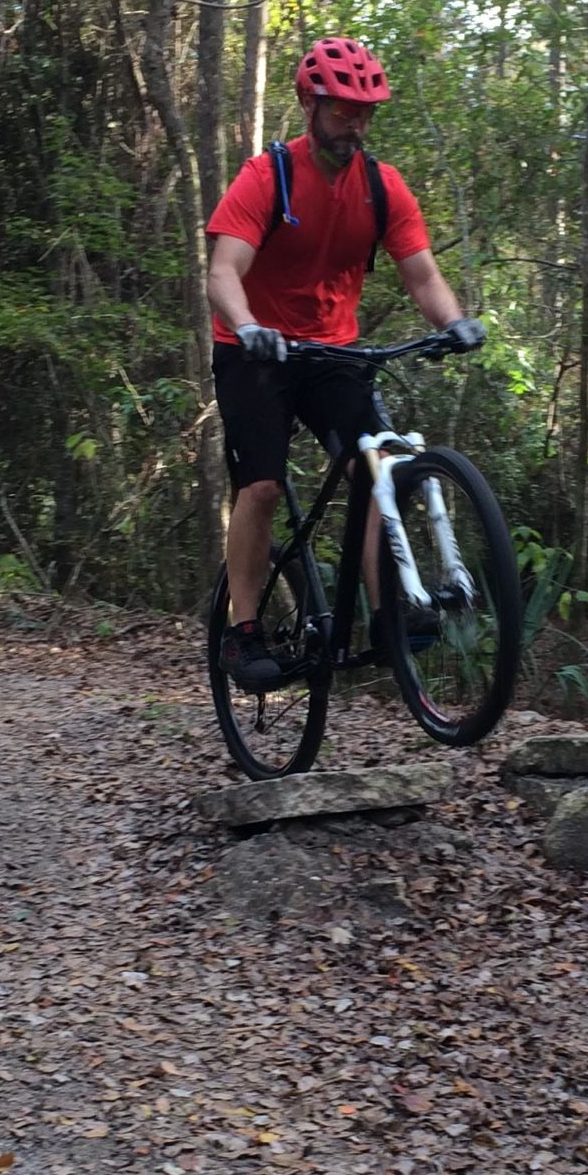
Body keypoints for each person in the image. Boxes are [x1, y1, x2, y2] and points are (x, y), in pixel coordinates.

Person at [205, 35, 483, 690]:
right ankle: (242, 633)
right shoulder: (266, 177)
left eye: (365, 112)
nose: (353, 124)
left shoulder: (382, 189)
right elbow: (224, 271)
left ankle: (388, 616)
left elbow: (422, 276)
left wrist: (453, 322)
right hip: (255, 350)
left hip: (331, 350)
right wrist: (248, 328)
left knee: (375, 467)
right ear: (311, 104)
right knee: (264, 487)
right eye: (341, 111)